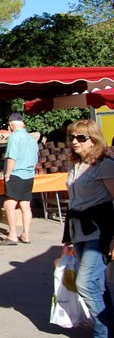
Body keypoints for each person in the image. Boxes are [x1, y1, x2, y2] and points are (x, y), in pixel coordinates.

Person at [63, 119, 114, 337]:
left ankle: (102, 333)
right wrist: (67, 240)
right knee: (97, 284)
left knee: (85, 283)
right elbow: (75, 203)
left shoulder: (105, 165)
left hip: (99, 230)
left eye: (81, 137)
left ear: (93, 140)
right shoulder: (76, 165)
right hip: (79, 230)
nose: (75, 141)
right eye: (72, 137)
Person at [0, 113, 38, 246]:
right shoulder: (31, 138)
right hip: (29, 175)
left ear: (10, 123)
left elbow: (11, 158)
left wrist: (7, 175)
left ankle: (12, 235)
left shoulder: (14, 137)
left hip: (16, 174)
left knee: (9, 204)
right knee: (25, 205)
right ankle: (26, 234)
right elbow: (35, 161)